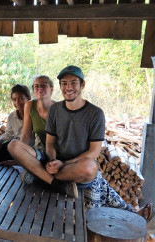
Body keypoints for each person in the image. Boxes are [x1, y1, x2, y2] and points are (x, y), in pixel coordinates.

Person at [12, 65, 153, 221]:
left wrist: (63, 164)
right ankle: (54, 181)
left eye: (73, 83)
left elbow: (94, 152)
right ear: (60, 86)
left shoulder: (95, 113)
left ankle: (41, 177)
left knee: (89, 167)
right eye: (64, 83)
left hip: (73, 167)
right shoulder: (55, 110)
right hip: (53, 163)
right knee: (14, 145)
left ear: (82, 85)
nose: (68, 87)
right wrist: (52, 160)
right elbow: (50, 144)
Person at [5, 76, 57, 176]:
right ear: (33, 90)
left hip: (58, 154)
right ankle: (37, 170)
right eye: (36, 86)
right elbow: (26, 136)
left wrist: (55, 160)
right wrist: (19, 157)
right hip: (41, 153)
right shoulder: (29, 106)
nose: (39, 88)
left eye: (43, 85)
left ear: (51, 89)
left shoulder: (58, 108)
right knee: (13, 144)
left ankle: (41, 173)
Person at [0, 84, 31, 163]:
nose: (17, 102)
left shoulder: (34, 115)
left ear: (29, 98)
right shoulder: (12, 116)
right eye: (14, 99)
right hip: (16, 146)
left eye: (21, 98)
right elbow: (8, 134)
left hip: (30, 148)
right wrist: (0, 140)